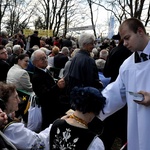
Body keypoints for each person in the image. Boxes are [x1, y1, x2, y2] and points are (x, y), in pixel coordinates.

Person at [98, 18, 150, 150]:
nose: (125, 44)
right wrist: (92, 105)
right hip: (135, 127)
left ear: (140, 31)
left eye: (127, 38)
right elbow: (115, 92)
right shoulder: (127, 64)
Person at [100, 35, 132, 150]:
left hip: (116, 91)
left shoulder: (115, 51)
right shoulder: (133, 54)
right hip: (129, 94)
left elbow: (107, 72)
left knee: (111, 127)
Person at [0, 81, 50, 150]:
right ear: (4, 103)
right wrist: (54, 125)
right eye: (15, 97)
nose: (19, 101)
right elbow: (39, 143)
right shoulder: (12, 128)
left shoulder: (5, 121)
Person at [31, 49, 66, 130]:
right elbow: (44, 95)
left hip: (54, 105)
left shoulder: (45, 70)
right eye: (42, 59)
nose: (45, 60)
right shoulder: (37, 76)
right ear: (35, 63)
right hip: (48, 109)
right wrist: (57, 86)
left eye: (45, 58)